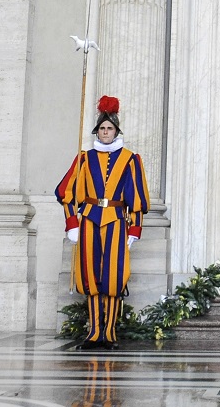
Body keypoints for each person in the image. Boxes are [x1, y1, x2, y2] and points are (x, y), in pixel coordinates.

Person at [56, 95, 150, 349]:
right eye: (102, 128)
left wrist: (135, 229)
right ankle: (94, 332)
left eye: (109, 128)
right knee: (91, 277)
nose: (105, 132)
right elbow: (66, 193)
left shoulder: (131, 159)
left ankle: (109, 333)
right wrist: (72, 223)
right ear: (97, 131)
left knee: (113, 277)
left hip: (117, 222)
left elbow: (138, 198)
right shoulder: (84, 158)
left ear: (116, 130)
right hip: (89, 221)